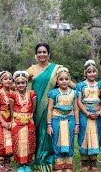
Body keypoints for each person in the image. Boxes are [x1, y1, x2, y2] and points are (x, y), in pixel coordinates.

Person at [26, 42, 75, 171]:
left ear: (49, 54)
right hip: (36, 107)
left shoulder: (56, 68)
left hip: (51, 107)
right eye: (39, 52)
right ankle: (38, 157)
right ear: (36, 55)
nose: (42, 54)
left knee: (49, 133)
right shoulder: (31, 69)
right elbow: (20, 81)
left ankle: (51, 158)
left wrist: (85, 89)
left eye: (44, 52)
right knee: (38, 133)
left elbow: (68, 81)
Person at [47, 67, 79, 172]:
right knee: (57, 141)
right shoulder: (53, 93)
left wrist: (77, 125)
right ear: (57, 80)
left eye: (66, 79)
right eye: (61, 79)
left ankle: (68, 164)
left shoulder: (74, 93)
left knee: (69, 140)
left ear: (69, 79)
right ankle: (59, 164)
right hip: (57, 120)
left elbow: (75, 109)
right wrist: (49, 125)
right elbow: (50, 110)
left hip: (70, 119)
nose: (64, 81)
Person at [75, 60, 101, 172]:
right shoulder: (80, 85)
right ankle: (85, 162)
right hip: (85, 114)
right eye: (89, 72)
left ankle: (94, 162)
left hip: (97, 115)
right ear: (85, 73)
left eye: (93, 72)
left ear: (96, 73)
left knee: (95, 136)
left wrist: (100, 111)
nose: (91, 74)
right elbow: (79, 101)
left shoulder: (100, 85)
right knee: (84, 136)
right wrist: (86, 113)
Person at [9, 70, 37, 172]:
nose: (21, 85)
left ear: (26, 83)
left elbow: (33, 107)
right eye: (18, 83)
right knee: (18, 142)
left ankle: (28, 162)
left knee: (29, 141)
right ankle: (20, 163)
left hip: (29, 121)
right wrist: (15, 119)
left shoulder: (31, 93)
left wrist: (28, 116)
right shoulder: (13, 95)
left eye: (23, 83)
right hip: (17, 121)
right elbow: (11, 109)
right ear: (15, 84)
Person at [0, 71, 14, 172]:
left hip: (10, 119)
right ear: (1, 81)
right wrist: (2, 122)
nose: (8, 80)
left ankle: (7, 162)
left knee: (10, 140)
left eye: (10, 78)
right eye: (5, 78)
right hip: (0, 119)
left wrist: (12, 121)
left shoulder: (13, 93)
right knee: (0, 140)